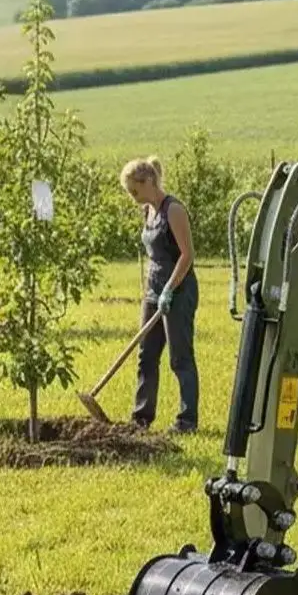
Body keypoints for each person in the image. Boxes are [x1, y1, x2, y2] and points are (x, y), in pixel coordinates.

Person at [121, 156, 199, 434]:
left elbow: (187, 255)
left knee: (180, 357)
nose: (133, 198)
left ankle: (187, 420)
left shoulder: (173, 209)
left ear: (149, 182)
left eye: (135, 191)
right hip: (154, 291)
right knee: (146, 354)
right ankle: (141, 418)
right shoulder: (148, 211)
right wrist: (153, 289)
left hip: (178, 291)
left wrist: (169, 289)